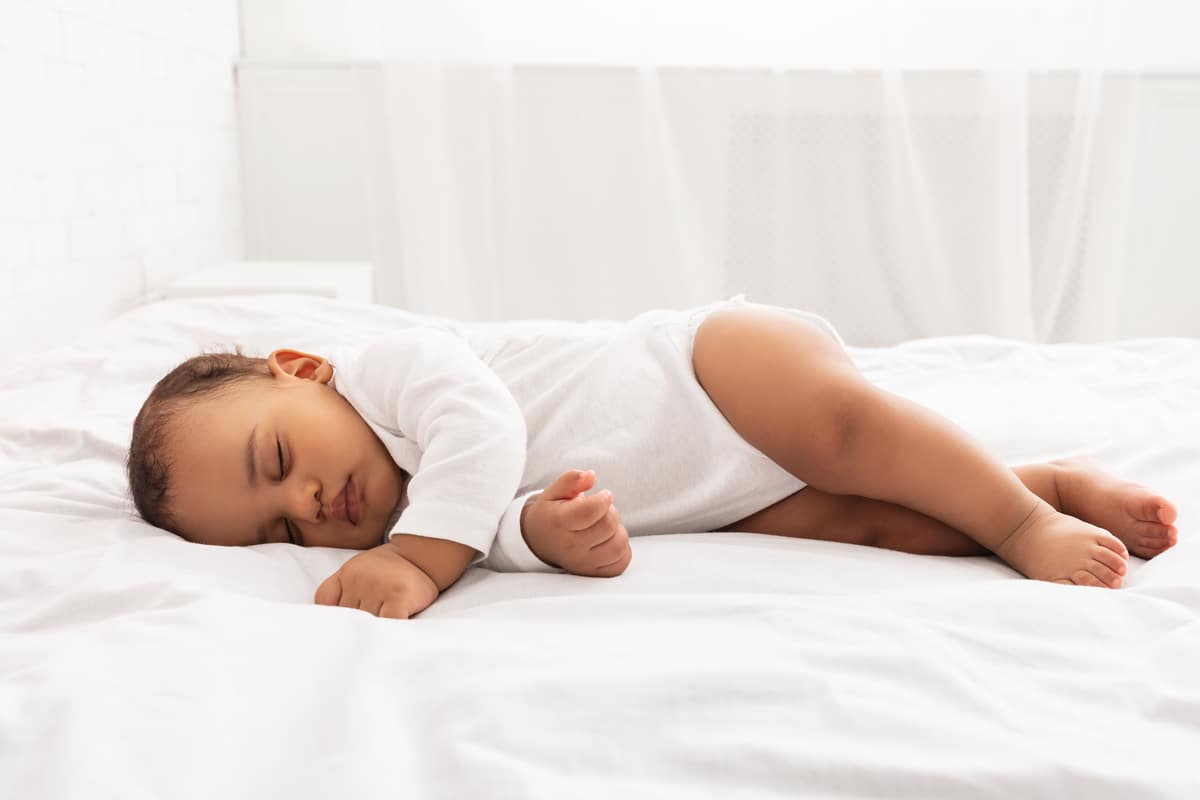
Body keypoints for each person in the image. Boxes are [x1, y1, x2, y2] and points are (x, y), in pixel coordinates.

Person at [125, 295, 1179, 619]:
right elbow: (502, 518)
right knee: (864, 518)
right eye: (280, 529)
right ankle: (1049, 481)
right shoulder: (436, 515)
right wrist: (553, 534)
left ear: (301, 369)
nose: (309, 501)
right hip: (716, 490)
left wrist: (413, 563)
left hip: (717, 368)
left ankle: (1019, 518)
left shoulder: (395, 370)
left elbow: (480, 433)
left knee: (849, 436)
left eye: (276, 458)